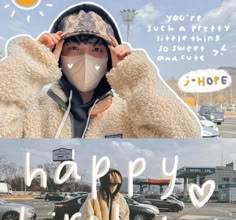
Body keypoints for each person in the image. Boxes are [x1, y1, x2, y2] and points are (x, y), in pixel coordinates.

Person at [0, 3, 202, 139]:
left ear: (109, 58)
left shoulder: (130, 112)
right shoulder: (33, 110)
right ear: (59, 56)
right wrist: (29, 63)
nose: (85, 59)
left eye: (96, 50)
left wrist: (136, 76)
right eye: (74, 49)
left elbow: (186, 137)